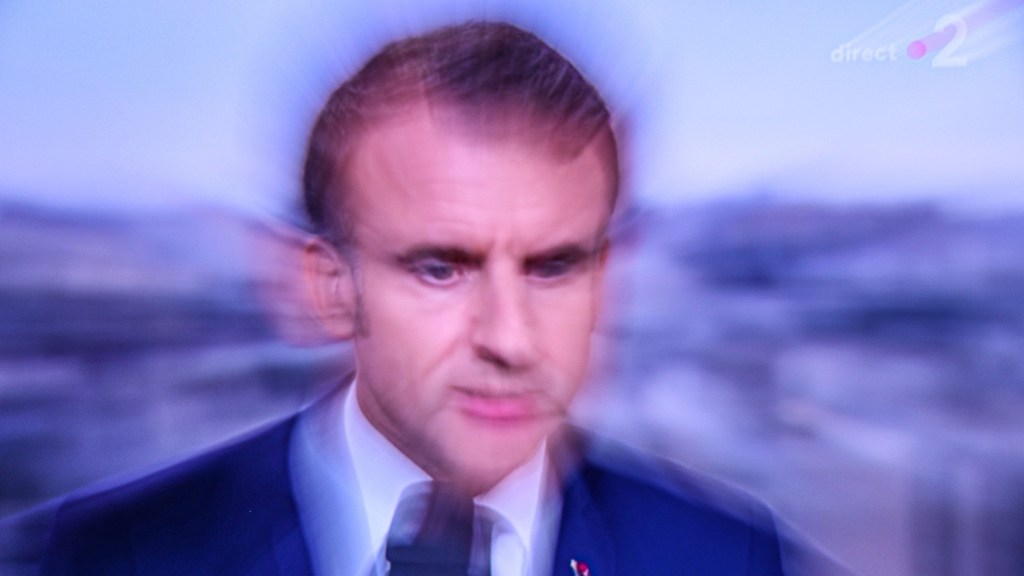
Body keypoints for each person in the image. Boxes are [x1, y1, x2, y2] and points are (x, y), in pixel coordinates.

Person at [2, 21, 797, 576]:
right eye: (441, 268)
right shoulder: (114, 554)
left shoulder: (726, 557)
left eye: (553, 267)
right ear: (328, 287)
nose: (511, 339)